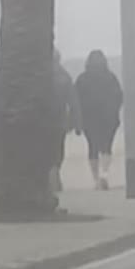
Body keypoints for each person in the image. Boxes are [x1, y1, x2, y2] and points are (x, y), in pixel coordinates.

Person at [75, 50, 123, 190]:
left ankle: (96, 179)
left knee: (93, 148)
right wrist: (114, 111)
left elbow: (75, 99)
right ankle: (104, 174)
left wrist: (77, 118)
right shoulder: (110, 78)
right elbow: (119, 96)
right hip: (108, 119)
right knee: (107, 147)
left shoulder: (82, 79)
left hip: (89, 119)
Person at [50, 48, 81, 192]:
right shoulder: (64, 77)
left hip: (41, 120)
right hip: (60, 120)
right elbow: (73, 102)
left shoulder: (38, 76)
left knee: (43, 149)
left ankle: (50, 176)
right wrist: (77, 123)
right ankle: (55, 174)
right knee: (58, 149)